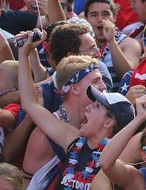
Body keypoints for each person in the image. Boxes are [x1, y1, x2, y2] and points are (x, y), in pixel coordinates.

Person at [18, 30, 134, 189]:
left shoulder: (115, 159)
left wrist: (140, 117)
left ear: (109, 122)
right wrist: (24, 53)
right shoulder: (73, 140)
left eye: (98, 105)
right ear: (74, 88)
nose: (103, 87)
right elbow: (30, 104)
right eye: (95, 81)